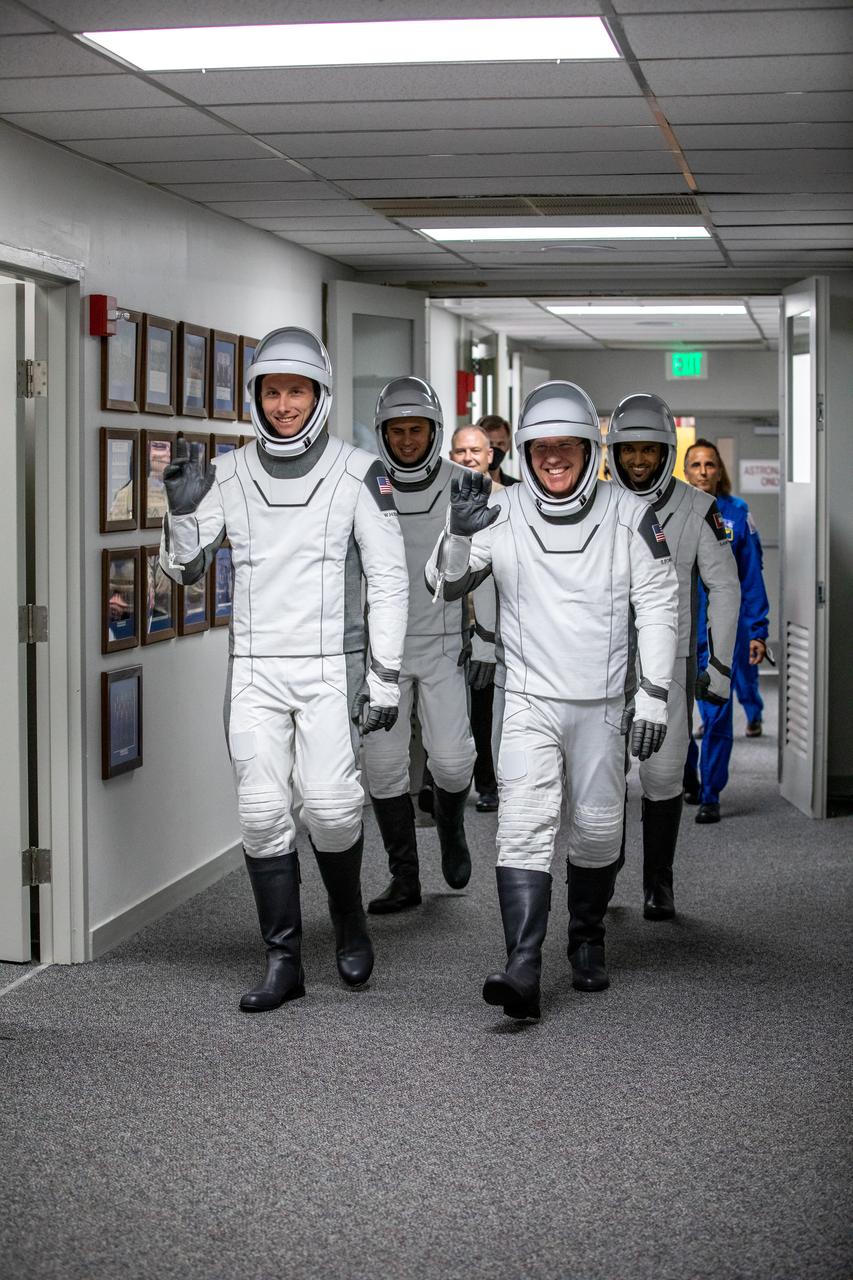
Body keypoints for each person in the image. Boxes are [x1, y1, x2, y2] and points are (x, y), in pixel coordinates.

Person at [159, 327, 408, 1011]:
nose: (283, 405)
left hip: (330, 668)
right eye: (272, 392)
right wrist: (181, 513)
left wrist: (384, 677)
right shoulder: (229, 474)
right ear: (256, 398)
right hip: (256, 670)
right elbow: (181, 572)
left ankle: (349, 921)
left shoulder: (359, 473)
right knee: (263, 812)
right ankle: (283, 958)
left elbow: (389, 580)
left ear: (320, 395)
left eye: (296, 391)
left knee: (330, 807)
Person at [427, 381, 679, 1019]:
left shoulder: (628, 514)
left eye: (568, 447)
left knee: (596, 832)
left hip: (600, 703)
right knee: (521, 829)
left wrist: (652, 692)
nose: (554, 459)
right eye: (542, 448)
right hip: (530, 700)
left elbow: (658, 603)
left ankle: (587, 936)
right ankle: (523, 966)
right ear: (529, 451)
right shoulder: (500, 511)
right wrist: (456, 530)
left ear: (591, 451)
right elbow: (444, 582)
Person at [607, 395, 740, 919]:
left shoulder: (698, 508)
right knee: (603, 773)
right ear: (614, 452)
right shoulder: (591, 503)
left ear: (667, 451)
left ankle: (658, 882)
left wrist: (720, 665)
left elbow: (725, 589)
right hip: (603, 663)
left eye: (650, 451)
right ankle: (604, 865)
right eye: (629, 451)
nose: (639, 461)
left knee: (663, 776)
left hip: (672, 664)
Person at [362, 377, 476, 914]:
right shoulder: (359, 483)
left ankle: (450, 825)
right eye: (397, 431)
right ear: (383, 432)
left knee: (452, 762)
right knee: (383, 768)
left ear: (435, 431)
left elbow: (492, 564)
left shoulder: (464, 484)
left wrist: (491, 641)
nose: (408, 441)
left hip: (441, 642)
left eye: (418, 430)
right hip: (377, 653)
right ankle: (403, 875)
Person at [683, 439, 770, 823]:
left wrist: (758, 631)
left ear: (720, 470)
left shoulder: (738, 514)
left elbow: (751, 578)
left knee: (717, 717)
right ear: (684, 472)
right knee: (674, 716)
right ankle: (688, 776)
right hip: (678, 631)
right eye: (696, 465)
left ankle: (711, 792)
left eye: (710, 464)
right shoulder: (671, 512)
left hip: (722, 635)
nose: (703, 471)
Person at [449, 425, 501, 812]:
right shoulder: (442, 501)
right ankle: (444, 789)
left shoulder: (509, 503)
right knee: (446, 709)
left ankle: (488, 784)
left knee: (484, 709)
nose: (467, 458)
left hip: (493, 627)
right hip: (448, 621)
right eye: (460, 452)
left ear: (490, 456)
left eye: (475, 451)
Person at [476, 414, 519, 488]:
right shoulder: (462, 486)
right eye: (489, 443)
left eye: (500, 444)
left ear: (508, 446)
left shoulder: (516, 489)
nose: (494, 449)